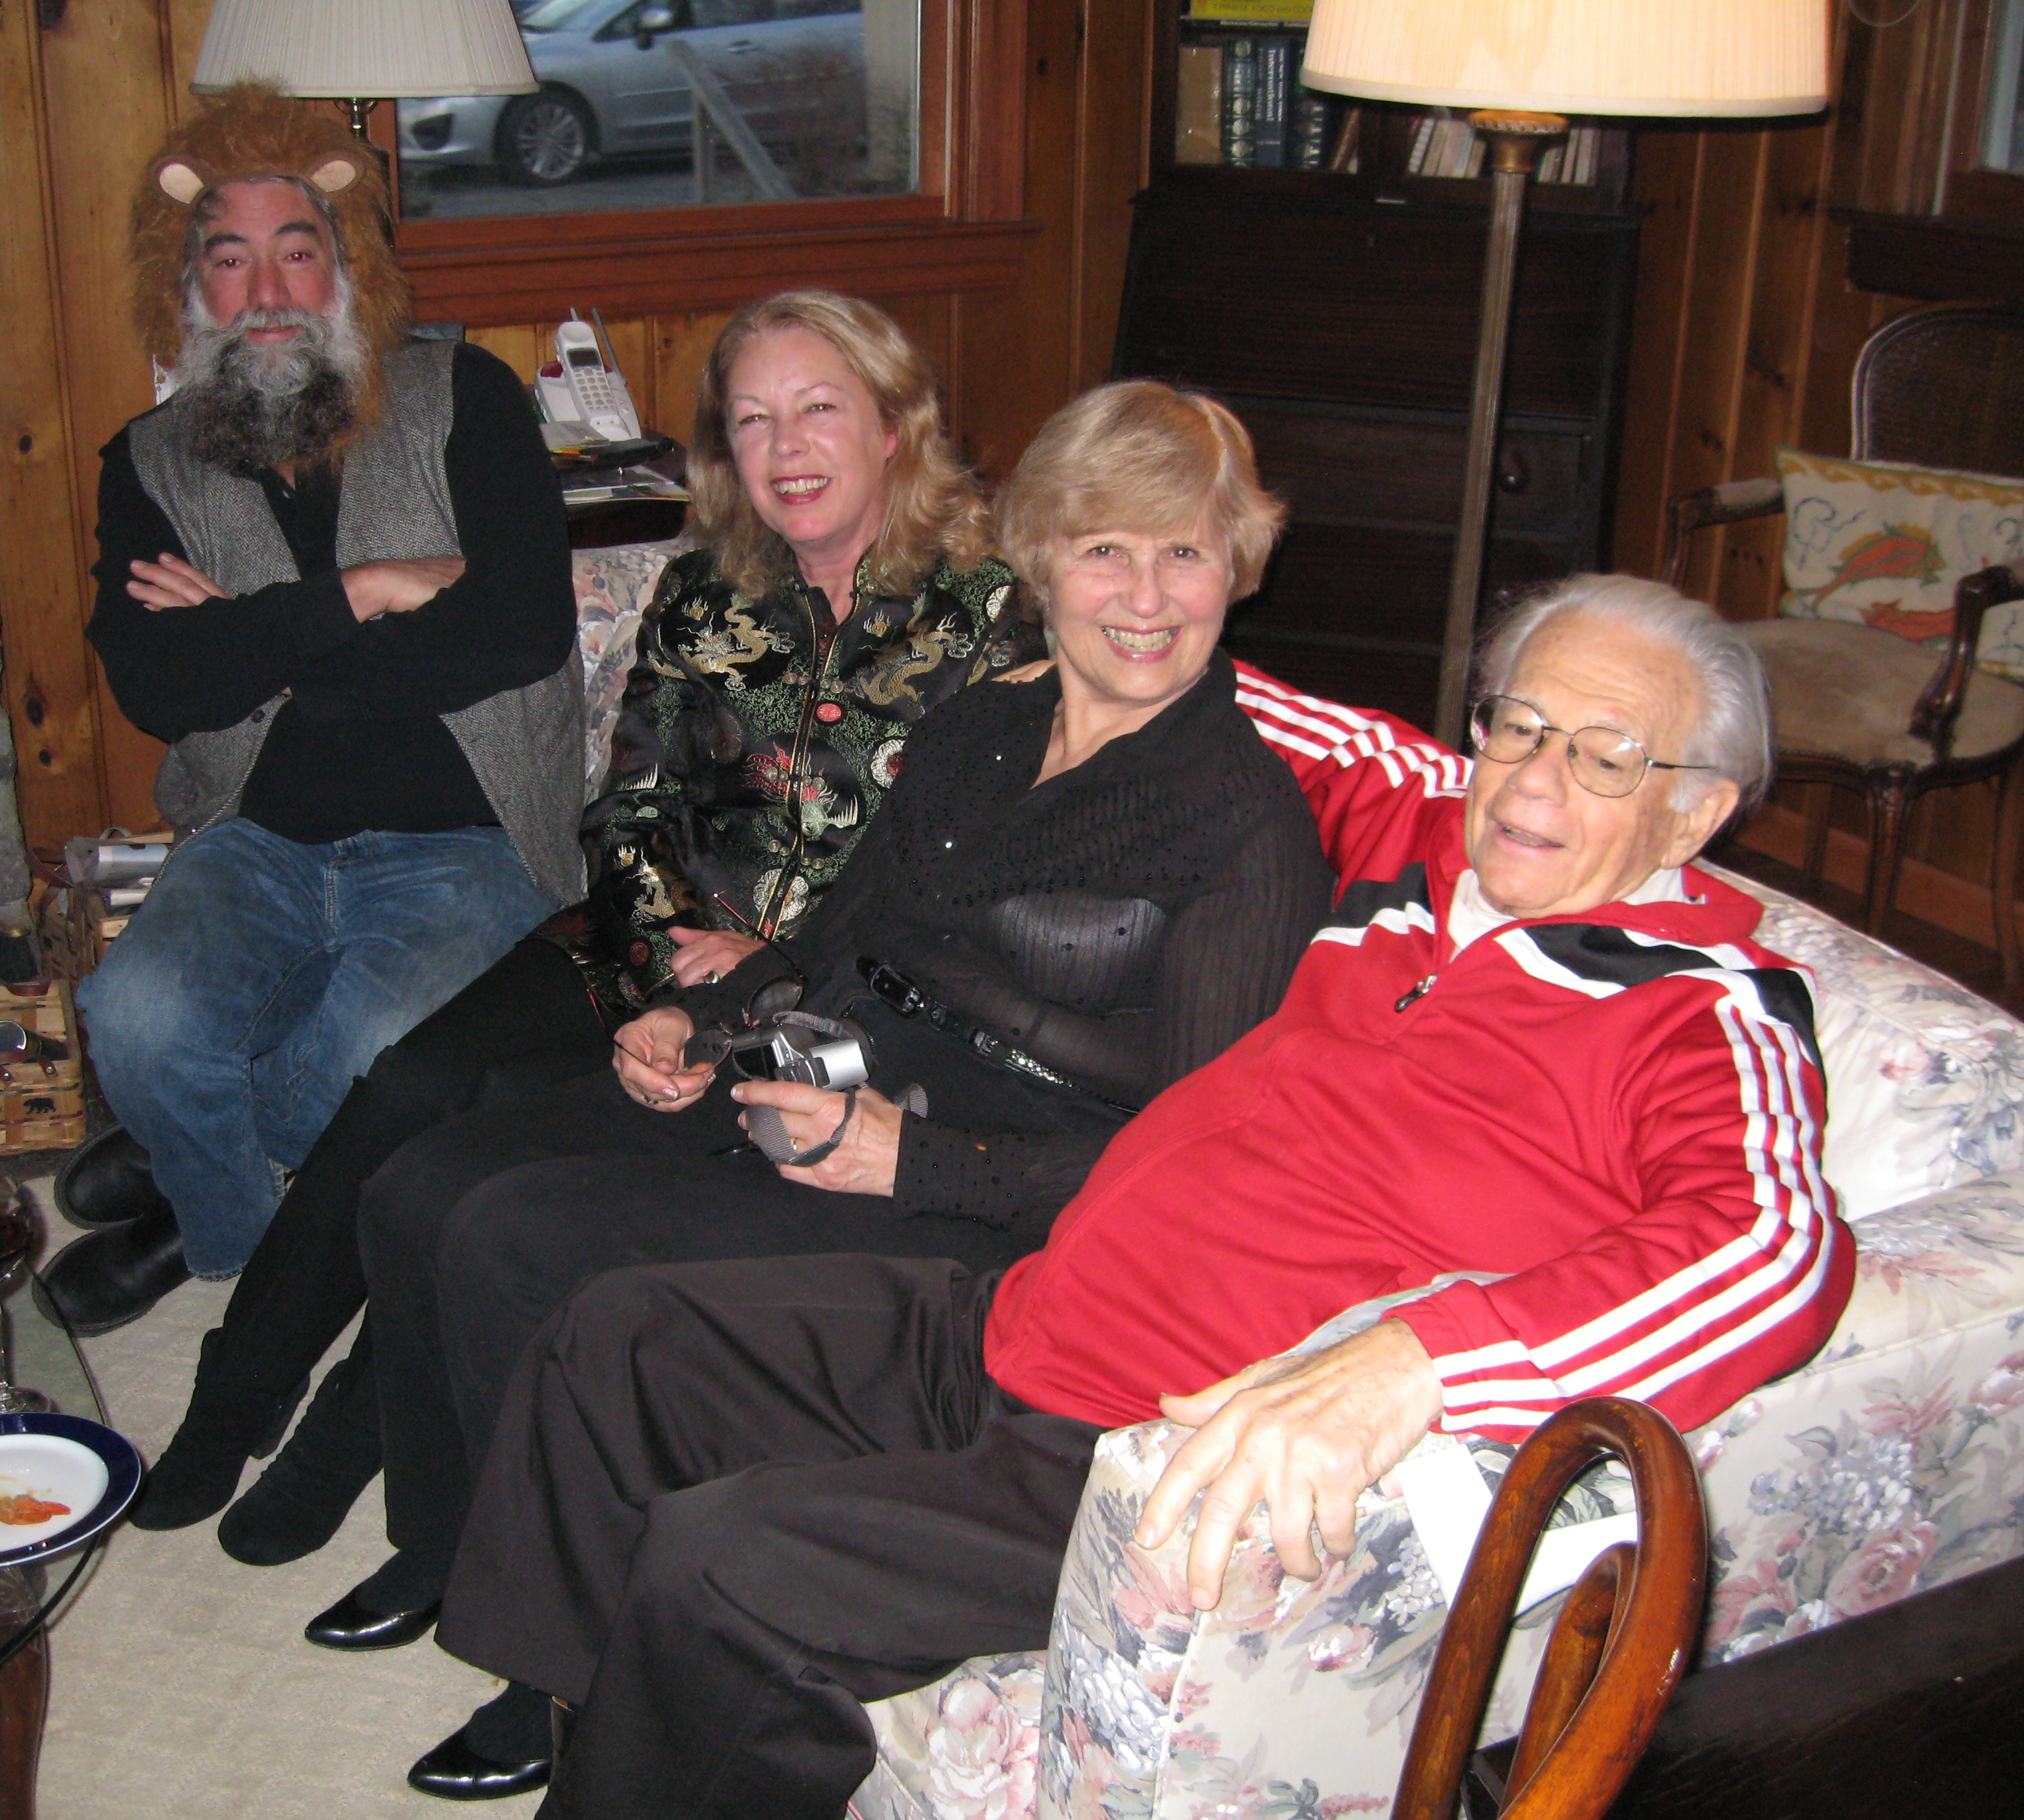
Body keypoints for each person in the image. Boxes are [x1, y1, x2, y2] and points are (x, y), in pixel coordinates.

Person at [428, 573, 1859, 1817]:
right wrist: (1082, 601)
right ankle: (605, 1739)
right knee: (618, 1344)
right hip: (1018, 1318)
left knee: (728, 1567)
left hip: (1139, 1452)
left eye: (1608, 756)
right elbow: (1228, 681)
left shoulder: (1702, 1014)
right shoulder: (1437, 846)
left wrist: (1408, 1370)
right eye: (1521, 725)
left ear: (1694, 810)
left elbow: (1774, 1248)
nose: (1538, 781)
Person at [353, 378, 1335, 1801]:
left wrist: (912, 1164)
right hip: (831, 1058)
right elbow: (841, 928)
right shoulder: (983, 727)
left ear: (1235, 567)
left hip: (998, 1191)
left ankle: (566, 1682)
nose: (1143, 596)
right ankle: (511, 1593)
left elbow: (1190, 1169)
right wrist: (705, 1017)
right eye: (1104, 550)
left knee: (527, 1244)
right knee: (438, 1182)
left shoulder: (1244, 825)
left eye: (1183, 552)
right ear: (1044, 561)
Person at [128, 289, 1036, 1549]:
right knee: (406, 1086)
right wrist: (665, 951)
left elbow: (965, 872)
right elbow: (632, 800)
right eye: (753, 419)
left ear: (894, 426)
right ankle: (235, 1393)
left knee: (501, 1140)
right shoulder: (706, 590)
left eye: (820, 408)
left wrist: (770, 965)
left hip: (828, 999)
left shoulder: (996, 618)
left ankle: (356, 1423)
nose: (785, 447)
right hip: (640, 941)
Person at [45, 87, 584, 1334]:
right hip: (259, 833)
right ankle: (233, 1225)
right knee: (131, 1019)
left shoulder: (467, 396)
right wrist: (368, 591)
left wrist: (260, 640)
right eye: (229, 260)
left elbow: (520, 629)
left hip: (474, 837)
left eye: (298, 252)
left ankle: (197, 1183)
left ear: (348, 272)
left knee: (363, 1050)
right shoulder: (149, 459)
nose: (268, 292)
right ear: (189, 287)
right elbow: (159, 686)